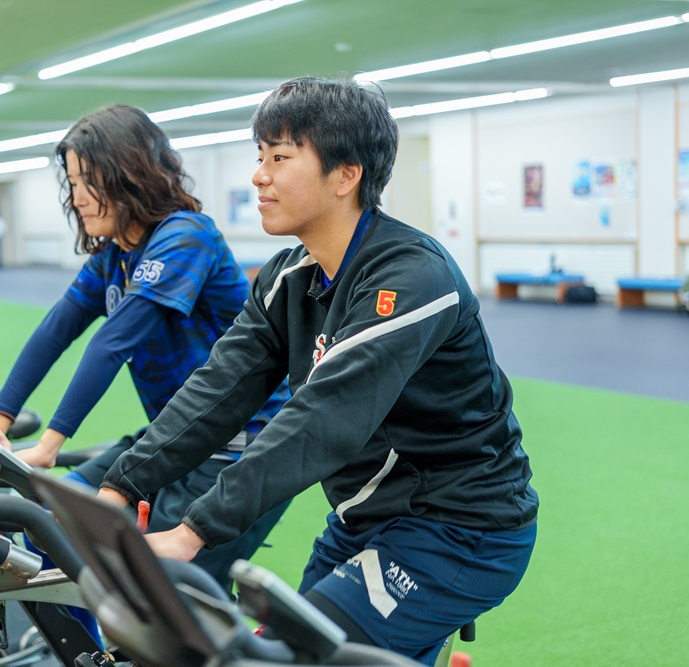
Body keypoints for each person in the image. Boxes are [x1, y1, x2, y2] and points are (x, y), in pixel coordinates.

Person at [97, 77, 538, 666]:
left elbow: (322, 418)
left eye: (279, 157)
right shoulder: (288, 277)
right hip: (364, 521)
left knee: (297, 655)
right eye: (260, 157)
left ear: (345, 174)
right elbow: (217, 391)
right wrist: (121, 486)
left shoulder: (412, 278)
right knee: (301, 646)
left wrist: (192, 531)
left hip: (461, 529)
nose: (259, 175)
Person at [0, 104, 290, 594]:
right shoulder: (116, 255)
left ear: (128, 173)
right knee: (51, 520)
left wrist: (51, 445)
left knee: (168, 595)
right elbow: (57, 329)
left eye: (88, 180)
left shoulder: (186, 236)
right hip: (171, 438)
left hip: (242, 445)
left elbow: (113, 341)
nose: (79, 198)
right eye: (72, 183)